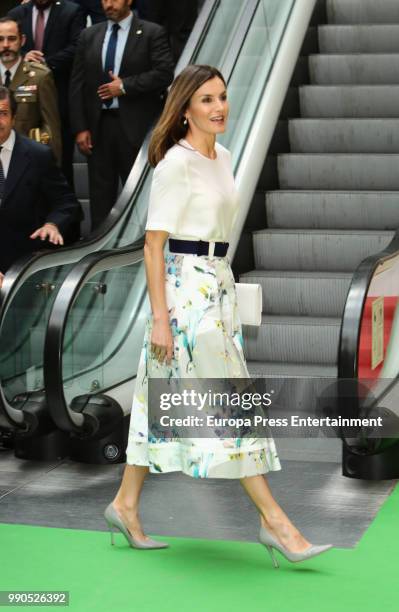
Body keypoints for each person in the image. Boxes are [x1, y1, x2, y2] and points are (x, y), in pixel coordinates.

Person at [103, 65, 334, 566]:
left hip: (216, 283)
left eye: (223, 97)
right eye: (206, 99)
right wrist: (161, 318)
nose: (219, 107)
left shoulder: (223, 156)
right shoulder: (174, 164)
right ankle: (276, 523)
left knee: (158, 401)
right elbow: (152, 246)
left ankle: (124, 504)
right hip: (185, 296)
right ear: (185, 108)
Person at [69, 0, 174, 230]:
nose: (109, 4)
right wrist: (80, 127)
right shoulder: (89, 35)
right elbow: (77, 83)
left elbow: (164, 73)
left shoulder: (150, 32)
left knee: (138, 194)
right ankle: (98, 254)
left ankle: (140, 248)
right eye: (104, 0)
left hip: (136, 127)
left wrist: (125, 86)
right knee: (100, 198)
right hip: (98, 128)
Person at [0, 86, 81, 287]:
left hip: (24, 266)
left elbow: (66, 202)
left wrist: (52, 224)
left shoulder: (38, 155)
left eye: (2, 113)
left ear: (13, 117)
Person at [7, 0, 86, 185]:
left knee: (60, 169)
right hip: (22, 105)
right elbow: (10, 44)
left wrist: (44, 66)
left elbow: (78, 47)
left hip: (58, 101)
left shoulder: (71, 11)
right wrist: (23, 56)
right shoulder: (17, 13)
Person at [0, 17, 62, 164]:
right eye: (0, 39)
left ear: (22, 40)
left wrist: (51, 169)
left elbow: (51, 128)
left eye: (12, 39)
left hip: (27, 162)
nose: (6, 45)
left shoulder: (40, 76)